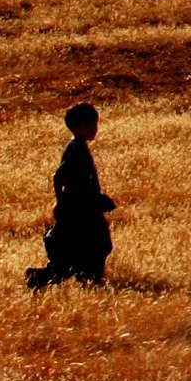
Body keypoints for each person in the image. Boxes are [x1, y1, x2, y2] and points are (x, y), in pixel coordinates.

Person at [25, 103, 116, 289]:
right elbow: (58, 177)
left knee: (89, 247)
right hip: (78, 208)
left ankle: (75, 279)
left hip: (85, 206)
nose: (94, 129)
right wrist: (61, 203)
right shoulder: (75, 149)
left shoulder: (79, 147)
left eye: (95, 124)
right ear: (75, 127)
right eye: (88, 125)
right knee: (94, 246)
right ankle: (46, 278)